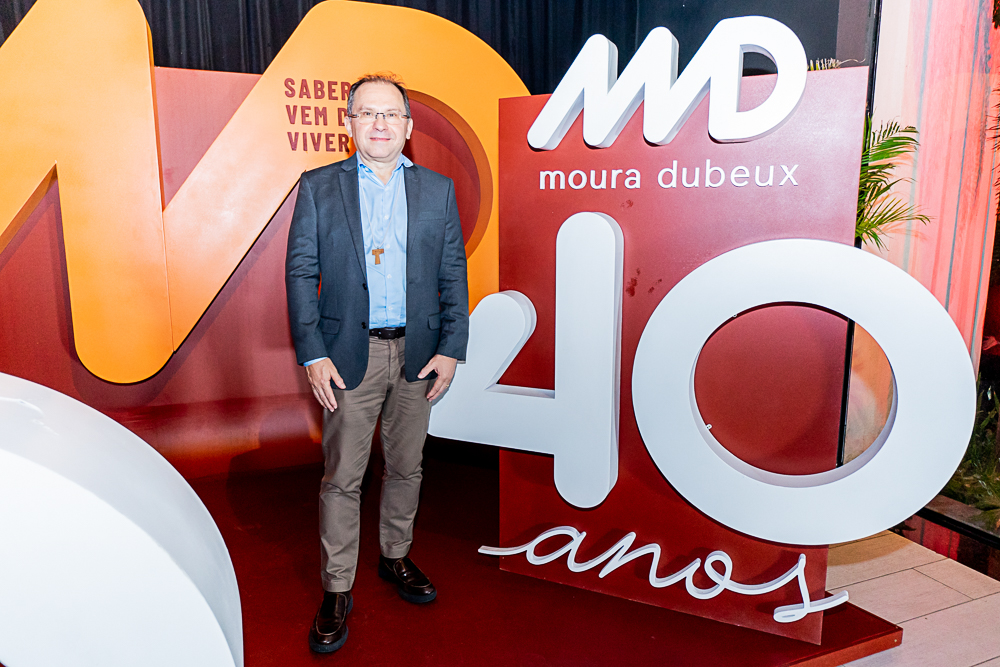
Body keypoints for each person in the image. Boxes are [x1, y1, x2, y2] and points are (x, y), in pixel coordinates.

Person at [285, 72, 469, 654]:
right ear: (349, 124)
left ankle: (395, 556)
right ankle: (337, 588)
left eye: (390, 113)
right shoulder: (318, 187)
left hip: (419, 354)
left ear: (408, 127)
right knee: (343, 476)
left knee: (408, 467)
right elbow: (301, 273)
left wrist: (452, 347)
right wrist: (313, 352)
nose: (379, 123)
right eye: (367, 113)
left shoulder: (438, 190)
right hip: (346, 356)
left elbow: (453, 274)